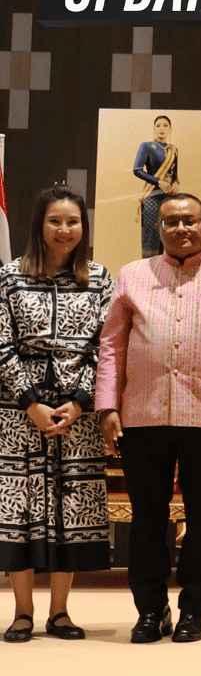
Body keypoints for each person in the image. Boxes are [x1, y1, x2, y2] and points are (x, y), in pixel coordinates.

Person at [96, 193, 201, 644]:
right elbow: (112, 345)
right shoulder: (132, 275)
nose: (181, 228)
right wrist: (107, 405)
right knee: (147, 518)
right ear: (158, 229)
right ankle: (150, 610)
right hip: (143, 415)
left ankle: (192, 611)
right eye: (171, 222)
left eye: (190, 220)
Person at [0, 188, 114, 643]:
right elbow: (2, 345)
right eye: (55, 221)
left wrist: (82, 401)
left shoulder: (100, 279)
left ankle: (60, 612)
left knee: (72, 507)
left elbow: (108, 345)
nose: (64, 230)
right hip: (19, 412)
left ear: (83, 227)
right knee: (20, 508)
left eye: (72, 222)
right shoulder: (9, 277)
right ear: (38, 226)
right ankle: (23, 612)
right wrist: (30, 401)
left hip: (76, 413)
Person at [131, 115, 178, 257]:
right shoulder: (147, 146)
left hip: (167, 199)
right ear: (154, 129)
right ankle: (148, 269)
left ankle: (165, 269)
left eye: (165, 125)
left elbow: (174, 174)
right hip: (151, 198)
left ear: (170, 129)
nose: (162, 128)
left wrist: (175, 183)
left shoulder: (173, 150)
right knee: (151, 235)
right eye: (158, 125)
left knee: (165, 232)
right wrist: (158, 182)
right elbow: (137, 170)